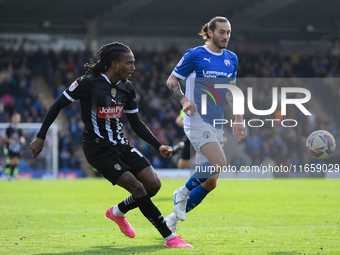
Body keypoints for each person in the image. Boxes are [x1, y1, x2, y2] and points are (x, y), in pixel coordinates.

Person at [30, 42, 192, 248]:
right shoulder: (87, 83)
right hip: (98, 149)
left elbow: (135, 122)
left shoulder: (127, 88)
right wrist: (41, 136)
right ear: (114, 64)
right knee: (137, 187)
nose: (133, 67)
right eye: (129, 63)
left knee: (153, 185)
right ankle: (170, 238)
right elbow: (56, 105)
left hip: (121, 145)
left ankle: (117, 212)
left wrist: (158, 145)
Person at [165, 16, 246, 234]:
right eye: (221, 32)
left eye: (228, 32)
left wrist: (238, 118)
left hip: (216, 123)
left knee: (211, 183)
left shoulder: (232, 59)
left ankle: (171, 220)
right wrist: (183, 100)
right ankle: (181, 193)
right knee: (219, 162)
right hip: (196, 120)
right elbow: (172, 81)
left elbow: (232, 91)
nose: (226, 36)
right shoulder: (195, 55)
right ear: (209, 32)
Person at [1, 113, 26, 181]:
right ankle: (9, 175)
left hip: (17, 149)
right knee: (12, 161)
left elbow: (22, 137)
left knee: (15, 162)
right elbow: (2, 137)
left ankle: (9, 174)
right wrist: (9, 141)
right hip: (9, 148)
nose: (16, 120)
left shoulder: (19, 130)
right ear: (12, 119)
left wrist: (22, 140)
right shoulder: (8, 129)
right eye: (15, 118)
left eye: (17, 118)